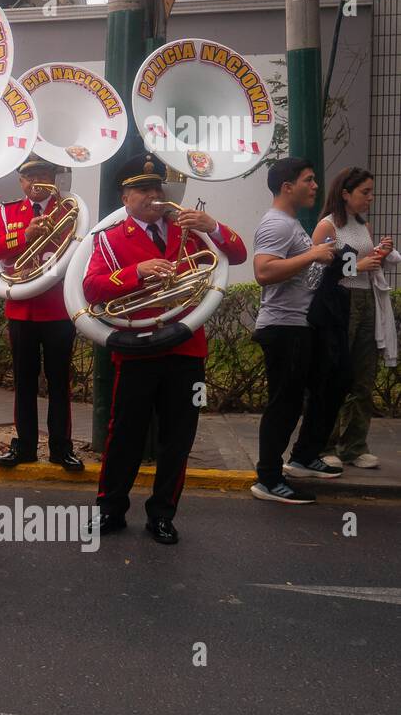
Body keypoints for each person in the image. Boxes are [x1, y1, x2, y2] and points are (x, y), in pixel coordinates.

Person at [86, 154, 248, 542]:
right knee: (124, 432)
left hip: (187, 347)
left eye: (157, 187)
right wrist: (136, 272)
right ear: (125, 197)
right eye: (142, 189)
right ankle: (111, 509)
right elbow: (91, 289)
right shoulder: (108, 239)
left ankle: (162, 513)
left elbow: (238, 254)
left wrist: (214, 226)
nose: (154, 195)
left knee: (179, 436)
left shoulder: (190, 231)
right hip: (138, 348)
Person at [250, 158, 344, 503]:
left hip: (299, 326)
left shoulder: (291, 223)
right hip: (283, 327)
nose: (316, 186)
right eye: (309, 180)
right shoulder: (277, 224)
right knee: (283, 405)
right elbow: (264, 271)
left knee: (320, 389)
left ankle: (302, 458)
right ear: (287, 187)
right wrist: (313, 254)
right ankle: (268, 479)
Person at [0, 155, 83, 472]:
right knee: (24, 384)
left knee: (59, 383)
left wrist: (52, 235)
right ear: (22, 182)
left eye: (44, 174)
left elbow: (81, 250)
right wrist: (25, 235)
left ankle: (61, 448)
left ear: (54, 179)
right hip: (22, 311)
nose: (38, 181)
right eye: (31, 176)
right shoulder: (8, 211)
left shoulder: (71, 210)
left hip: (57, 308)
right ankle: (24, 446)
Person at [315, 167, 398, 471]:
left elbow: (361, 262)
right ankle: (323, 444)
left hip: (366, 301)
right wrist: (360, 266)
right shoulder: (327, 227)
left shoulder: (363, 225)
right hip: (340, 301)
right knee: (335, 375)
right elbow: (318, 273)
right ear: (345, 194)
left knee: (364, 375)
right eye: (365, 192)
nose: (370, 198)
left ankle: (354, 445)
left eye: (371, 192)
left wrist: (379, 253)